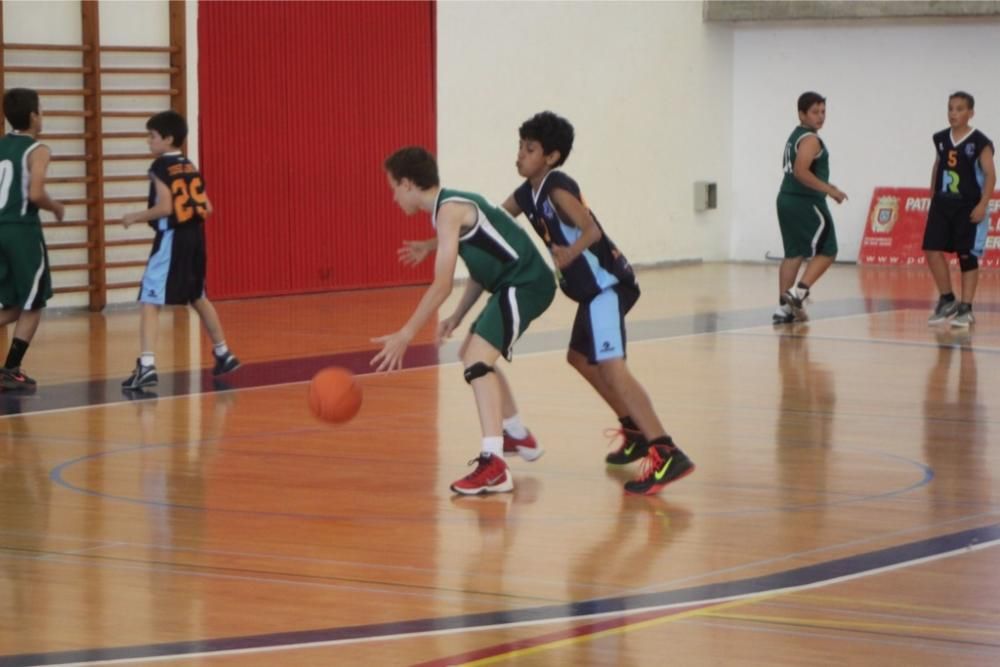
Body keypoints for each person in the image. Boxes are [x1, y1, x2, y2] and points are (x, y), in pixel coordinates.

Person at [373, 146, 555, 495]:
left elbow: (442, 283)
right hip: (510, 282)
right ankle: (516, 434)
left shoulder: (449, 211)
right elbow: (482, 270)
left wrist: (405, 333)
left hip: (527, 282)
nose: (394, 197)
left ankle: (494, 464)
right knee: (471, 352)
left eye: (394, 187)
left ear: (409, 184)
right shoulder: (448, 210)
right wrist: (457, 316)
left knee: (476, 360)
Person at [120, 110, 239, 389]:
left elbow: (165, 208)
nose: (149, 142)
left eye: (152, 136)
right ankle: (223, 352)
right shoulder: (189, 166)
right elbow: (207, 208)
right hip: (196, 237)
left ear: (168, 139)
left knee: (150, 298)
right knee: (197, 295)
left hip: (172, 239)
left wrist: (134, 217)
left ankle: (147, 365)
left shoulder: (160, 166)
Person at [0, 88, 65, 391]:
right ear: (32, 116)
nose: (42, 115)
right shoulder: (38, 150)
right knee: (34, 302)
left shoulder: (1, 147)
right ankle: (11, 369)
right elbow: (35, 193)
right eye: (40, 110)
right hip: (21, 231)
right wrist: (56, 207)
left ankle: (11, 369)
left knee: (13, 303)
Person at [774, 91, 847, 325]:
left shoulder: (795, 136)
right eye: (815, 112)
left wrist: (827, 185)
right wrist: (829, 190)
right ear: (801, 114)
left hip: (786, 199)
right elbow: (801, 171)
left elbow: (802, 172)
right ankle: (799, 292)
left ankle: (784, 309)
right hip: (806, 202)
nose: (821, 116)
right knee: (829, 250)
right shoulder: (811, 139)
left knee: (793, 254)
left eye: (823, 111)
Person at [923, 91, 995, 328]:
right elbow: (937, 165)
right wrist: (933, 195)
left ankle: (966, 307)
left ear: (970, 113)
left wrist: (983, 204)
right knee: (932, 250)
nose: (953, 113)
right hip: (943, 204)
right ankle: (947, 299)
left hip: (968, 206)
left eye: (959, 109)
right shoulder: (941, 138)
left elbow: (990, 175)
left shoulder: (980, 142)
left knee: (966, 256)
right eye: (951, 108)